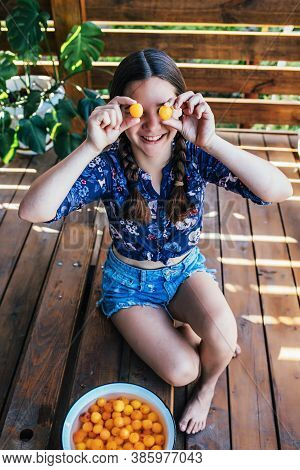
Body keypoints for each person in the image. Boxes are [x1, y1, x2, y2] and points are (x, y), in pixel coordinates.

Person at [18, 49, 293, 436]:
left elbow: (278, 188)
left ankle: (208, 384)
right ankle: (173, 332)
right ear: (117, 111)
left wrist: (212, 142)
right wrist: (91, 146)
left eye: (162, 109)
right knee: (184, 370)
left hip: (185, 273)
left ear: (180, 107)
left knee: (223, 338)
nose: (150, 125)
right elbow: (32, 211)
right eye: (136, 112)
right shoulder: (109, 164)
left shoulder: (195, 153)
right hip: (129, 286)